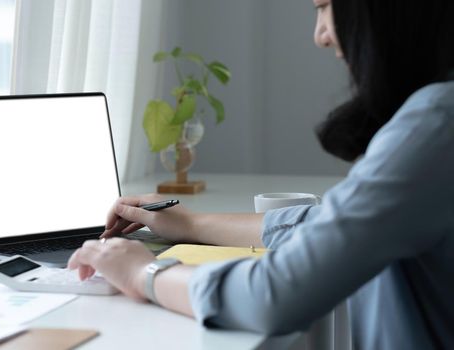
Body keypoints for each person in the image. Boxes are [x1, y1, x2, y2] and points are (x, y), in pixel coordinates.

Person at [68, 0, 454, 348]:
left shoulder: (435, 124)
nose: (319, 35)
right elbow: (327, 223)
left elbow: (277, 293)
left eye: (323, 7)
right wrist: (191, 223)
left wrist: (142, 272)